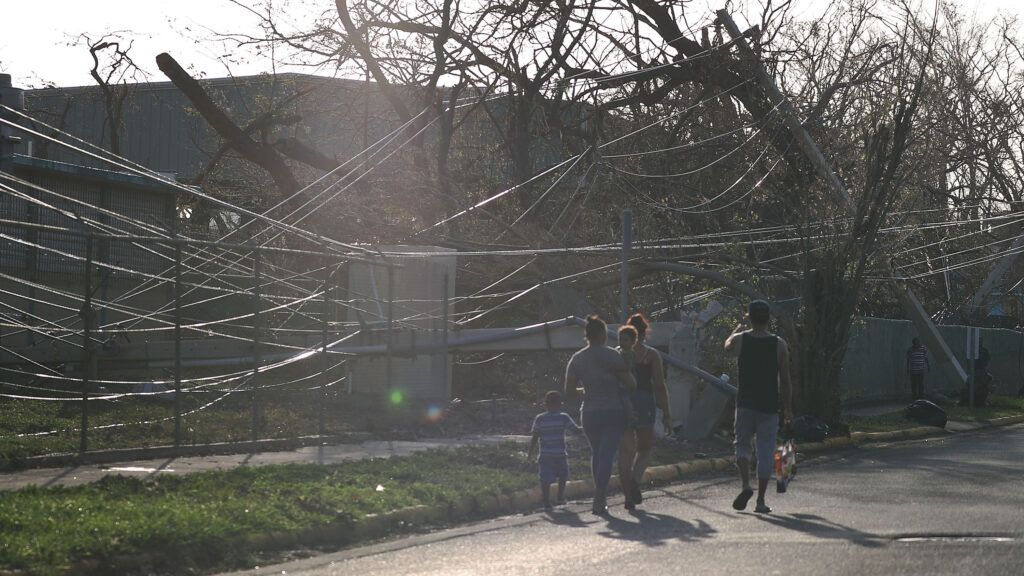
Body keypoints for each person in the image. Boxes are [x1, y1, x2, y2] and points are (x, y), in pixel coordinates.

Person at [724, 300, 793, 514]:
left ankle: (746, 485)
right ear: (768, 319)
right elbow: (786, 380)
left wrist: (737, 329)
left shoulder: (740, 340)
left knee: (741, 446)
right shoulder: (779, 344)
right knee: (766, 452)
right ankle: (761, 502)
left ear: (749, 317)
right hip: (769, 405)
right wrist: (788, 408)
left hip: (745, 403)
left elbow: (726, 347)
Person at [565, 314, 637, 515]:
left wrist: (587, 390)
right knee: (606, 454)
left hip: (589, 413)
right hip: (613, 411)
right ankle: (599, 496)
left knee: (597, 453)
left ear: (587, 336)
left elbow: (569, 391)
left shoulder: (577, 358)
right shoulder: (613, 355)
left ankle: (599, 496)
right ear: (602, 335)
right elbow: (632, 384)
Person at [617, 313, 673, 510]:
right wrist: (666, 412)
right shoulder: (651, 354)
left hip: (622, 402)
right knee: (645, 448)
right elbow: (659, 385)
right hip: (643, 401)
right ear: (645, 331)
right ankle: (634, 479)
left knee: (625, 451)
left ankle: (627, 498)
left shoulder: (618, 352)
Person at [528, 390, 583, 510]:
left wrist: (530, 452)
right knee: (562, 476)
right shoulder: (563, 417)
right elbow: (576, 430)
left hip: (546, 454)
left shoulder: (540, 418)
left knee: (546, 479)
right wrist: (588, 426)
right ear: (560, 404)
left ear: (545, 404)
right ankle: (559, 497)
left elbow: (535, 437)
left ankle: (548, 501)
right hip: (559, 454)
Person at [615, 325, 639, 427]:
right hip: (620, 379)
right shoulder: (620, 350)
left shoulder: (628, 353)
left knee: (625, 398)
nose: (622, 342)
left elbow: (628, 367)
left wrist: (617, 368)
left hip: (626, 380)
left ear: (633, 342)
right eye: (620, 339)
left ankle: (630, 416)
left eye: (625, 340)